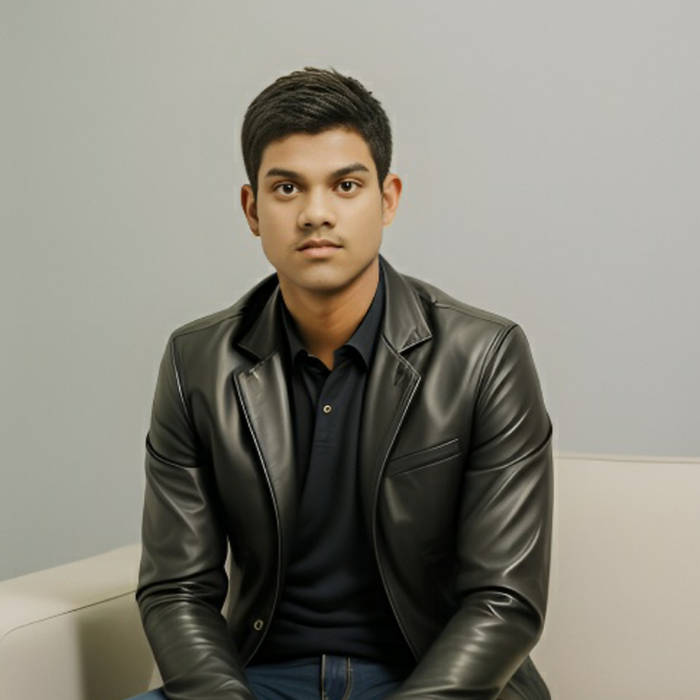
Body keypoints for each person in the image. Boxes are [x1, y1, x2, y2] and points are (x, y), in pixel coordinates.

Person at [130, 67, 553, 700]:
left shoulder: (484, 356)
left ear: (388, 199)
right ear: (252, 209)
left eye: (346, 185)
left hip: (433, 682)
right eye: (287, 188)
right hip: (259, 682)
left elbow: (504, 599)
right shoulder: (198, 363)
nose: (315, 214)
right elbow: (176, 589)